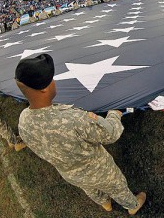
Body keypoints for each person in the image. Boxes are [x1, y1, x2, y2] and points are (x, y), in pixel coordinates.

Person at [15, 54, 146, 215]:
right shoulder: (74, 120)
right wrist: (114, 114)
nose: (54, 82)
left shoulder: (23, 121)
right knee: (116, 185)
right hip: (99, 169)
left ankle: (105, 203)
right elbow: (111, 134)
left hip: (70, 173)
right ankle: (132, 205)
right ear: (44, 89)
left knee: (90, 189)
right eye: (52, 80)